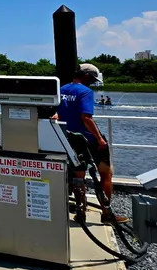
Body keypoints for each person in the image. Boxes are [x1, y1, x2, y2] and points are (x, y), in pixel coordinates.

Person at [52, 63, 128, 224]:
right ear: (86, 77)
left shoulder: (62, 89)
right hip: (88, 139)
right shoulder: (85, 92)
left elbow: (56, 112)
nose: (93, 83)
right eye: (92, 80)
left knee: (78, 176)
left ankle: (81, 212)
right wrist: (100, 139)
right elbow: (86, 118)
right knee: (105, 173)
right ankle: (106, 214)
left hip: (69, 138)